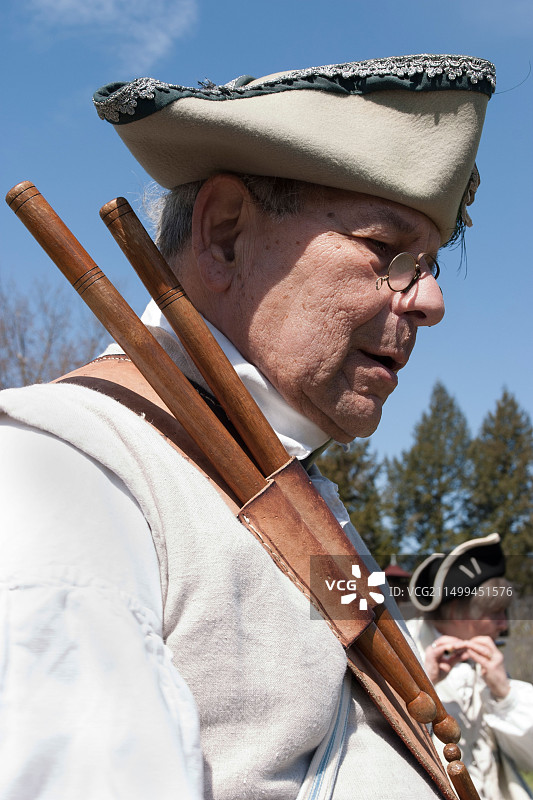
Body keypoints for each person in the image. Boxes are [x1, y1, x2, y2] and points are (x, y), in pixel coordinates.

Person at [0, 54, 496, 799]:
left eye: (427, 264)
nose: (430, 302)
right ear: (226, 234)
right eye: (388, 251)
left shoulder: (298, 494)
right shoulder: (68, 469)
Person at [407, 534, 533, 800]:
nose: (504, 625)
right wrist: (419, 685)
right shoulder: (404, 650)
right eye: (495, 612)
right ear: (456, 611)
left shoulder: (488, 664)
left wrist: (505, 695)